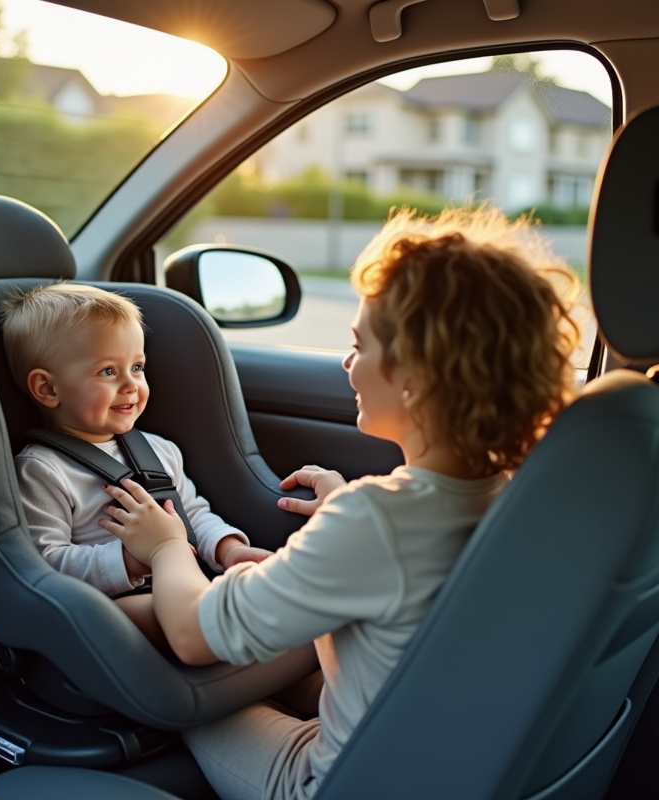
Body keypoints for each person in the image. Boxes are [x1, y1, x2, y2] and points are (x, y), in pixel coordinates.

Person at [98, 206, 582, 800]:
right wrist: (345, 516)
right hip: (440, 756)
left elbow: (195, 637)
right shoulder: (514, 497)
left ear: (415, 376)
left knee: (188, 698)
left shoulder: (374, 521)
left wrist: (169, 547)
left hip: (332, 784)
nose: (348, 364)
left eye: (358, 345)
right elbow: (404, 557)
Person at [0, 283, 273, 649]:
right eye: (108, 372)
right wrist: (129, 560)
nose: (132, 384)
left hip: (182, 587)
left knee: (257, 594)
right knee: (218, 612)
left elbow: (191, 515)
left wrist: (228, 550)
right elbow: (46, 563)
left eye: (138, 367)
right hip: (109, 608)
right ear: (48, 389)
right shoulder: (42, 471)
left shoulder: (159, 451)